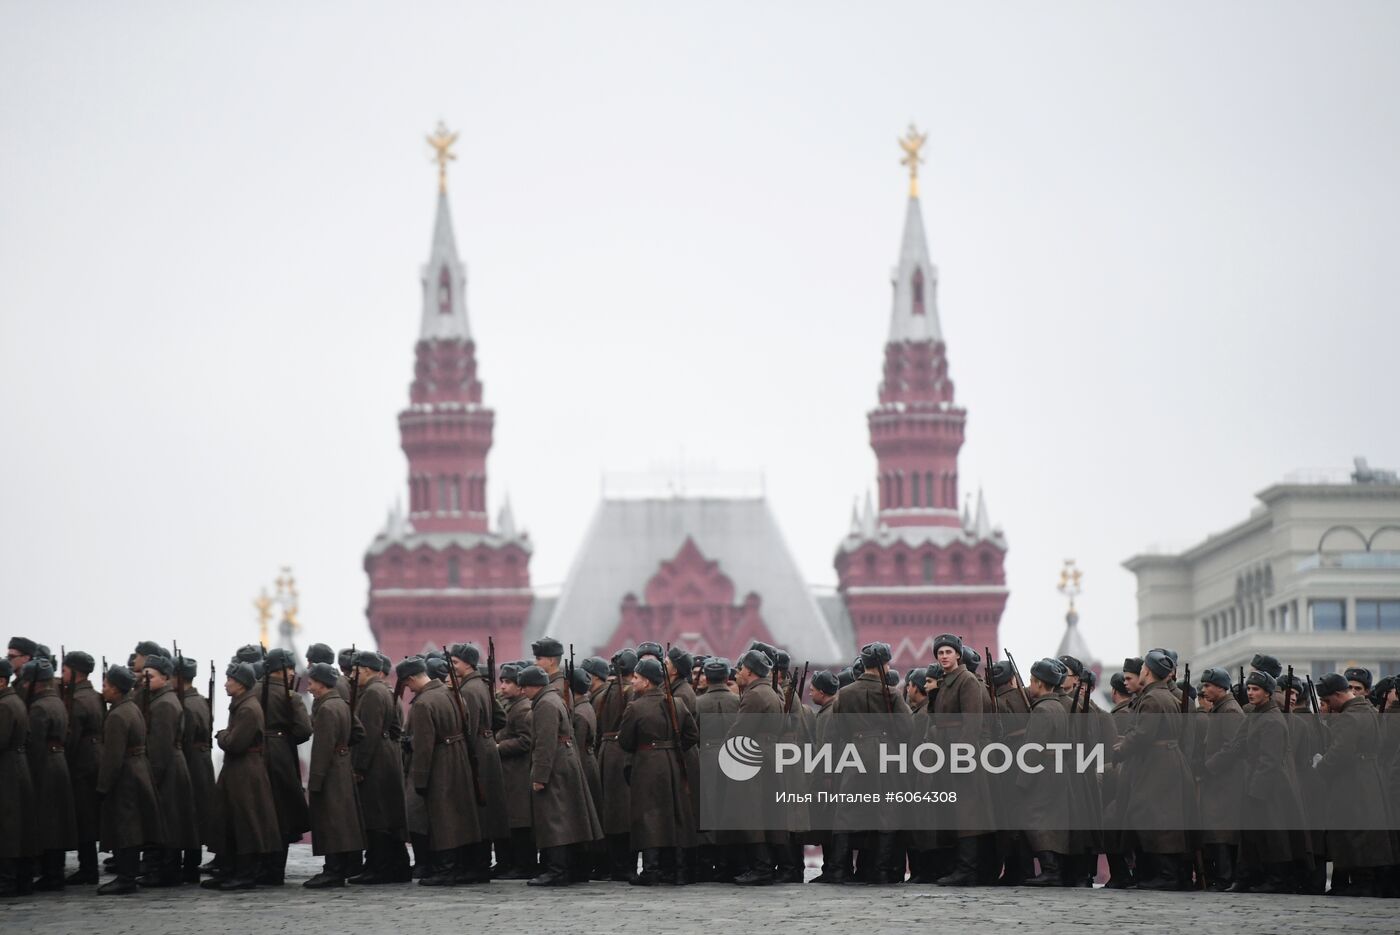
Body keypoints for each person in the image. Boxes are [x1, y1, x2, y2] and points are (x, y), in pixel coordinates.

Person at [399, 655, 483, 885]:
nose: (407, 688)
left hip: (439, 763)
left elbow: (424, 747)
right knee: (457, 815)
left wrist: (420, 778)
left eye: (407, 683)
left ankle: (445, 870)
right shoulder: (452, 693)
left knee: (442, 817)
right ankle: (457, 866)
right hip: (458, 759)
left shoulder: (424, 703)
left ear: (413, 678)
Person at [518, 664, 603, 887]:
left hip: (554, 765)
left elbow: (545, 744)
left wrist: (539, 776)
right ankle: (570, 869)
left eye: (524, 687)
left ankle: (557, 870)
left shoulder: (545, 704)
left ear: (534, 686)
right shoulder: (554, 699)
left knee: (554, 819)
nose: (522, 692)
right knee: (567, 819)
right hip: (564, 762)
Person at [1115, 649, 1193, 890]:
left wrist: (1118, 750)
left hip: (1156, 763)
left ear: (1147, 671)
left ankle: (1167, 875)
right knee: (1159, 815)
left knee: (1155, 816)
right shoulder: (1166, 696)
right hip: (1165, 760)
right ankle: (1164, 873)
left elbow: (1142, 734)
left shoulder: (1151, 699)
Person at [617, 656, 698, 885]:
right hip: (672, 762)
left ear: (647, 681)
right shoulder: (677, 703)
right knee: (675, 815)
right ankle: (678, 871)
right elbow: (692, 735)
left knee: (649, 816)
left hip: (647, 765)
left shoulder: (636, 707)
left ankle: (651, 870)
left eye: (636, 677)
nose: (633, 682)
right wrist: (672, 747)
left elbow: (624, 741)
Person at [1313, 672, 1395, 895]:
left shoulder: (1349, 717)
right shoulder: (1368, 710)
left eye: (1329, 700)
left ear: (1339, 694)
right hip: (1369, 776)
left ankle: (1359, 883)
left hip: (1351, 780)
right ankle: (1362, 881)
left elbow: (1340, 753)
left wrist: (1321, 765)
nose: (1328, 705)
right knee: (1364, 831)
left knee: (1352, 832)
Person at [203, 662, 280, 891]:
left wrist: (221, 736)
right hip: (238, 770)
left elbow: (235, 743)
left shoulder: (248, 709)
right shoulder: (241, 705)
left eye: (230, 680)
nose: (226, 684)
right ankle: (229, 870)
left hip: (245, 771)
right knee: (229, 821)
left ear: (242, 684)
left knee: (245, 823)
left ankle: (245, 874)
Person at [93, 665, 162, 895]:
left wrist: (103, 786)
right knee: (131, 826)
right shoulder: (131, 708)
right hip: (136, 770)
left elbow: (112, 756)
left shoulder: (118, 715)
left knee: (126, 827)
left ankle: (126, 877)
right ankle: (127, 875)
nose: (103, 690)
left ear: (116, 688)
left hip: (125, 775)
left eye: (105, 685)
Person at [348, 650, 410, 884]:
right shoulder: (385, 690)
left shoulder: (372, 693)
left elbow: (368, 733)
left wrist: (359, 767)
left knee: (376, 816)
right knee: (388, 815)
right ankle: (396, 865)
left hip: (376, 761)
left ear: (365, 669)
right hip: (388, 756)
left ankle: (379, 866)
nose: (353, 676)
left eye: (356, 670)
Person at [448, 642, 508, 882]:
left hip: (477, 755)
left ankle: (477, 866)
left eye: (455, 663)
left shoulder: (469, 690)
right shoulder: (482, 685)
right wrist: (487, 734)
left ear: (469, 664)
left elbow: (468, 728)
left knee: (476, 811)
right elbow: (499, 718)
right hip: (486, 750)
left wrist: (473, 747)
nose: (451, 667)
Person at [303, 662, 366, 888]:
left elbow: (322, 749)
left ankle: (333, 870)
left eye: (311, 683)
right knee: (342, 820)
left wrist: (316, 781)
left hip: (330, 772)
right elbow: (359, 732)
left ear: (321, 683)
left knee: (331, 821)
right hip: (342, 767)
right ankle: (338, 867)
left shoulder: (327, 708)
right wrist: (343, 748)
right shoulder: (341, 704)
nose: (309, 688)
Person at [141, 653, 200, 886]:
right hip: (171, 765)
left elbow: (160, 745)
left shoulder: (165, 703)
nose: (145, 679)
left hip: (167, 767)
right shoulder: (160, 698)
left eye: (150, 675)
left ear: (165, 678)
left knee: (168, 820)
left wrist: (153, 776)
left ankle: (166, 871)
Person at [257, 648, 312, 885]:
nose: (292, 673)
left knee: (257, 810)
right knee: (281, 811)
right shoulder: (291, 697)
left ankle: (257, 868)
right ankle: (274, 869)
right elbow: (304, 730)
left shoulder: (252, 691)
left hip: (254, 753)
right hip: (280, 754)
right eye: (289, 668)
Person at [23, 657, 77, 891]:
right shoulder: (56, 701)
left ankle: (51, 874)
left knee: (48, 821)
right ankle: (54, 871)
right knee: (56, 820)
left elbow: (35, 744)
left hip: (44, 763)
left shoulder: (38, 708)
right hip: (58, 761)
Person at [1018, 658, 1072, 886]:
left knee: (1036, 818)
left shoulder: (1041, 710)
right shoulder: (1058, 706)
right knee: (1053, 819)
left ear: (1040, 683)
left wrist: (1023, 780)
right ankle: (1055, 869)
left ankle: (1050, 870)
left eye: (1031, 681)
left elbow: (1032, 749)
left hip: (1042, 772)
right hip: (1057, 769)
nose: (1029, 685)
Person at [1196, 667, 1245, 891]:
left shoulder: (1230, 711)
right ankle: (1221, 877)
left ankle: (1225, 878)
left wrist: (1209, 766)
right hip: (1218, 780)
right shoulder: (1220, 709)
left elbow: (1233, 747)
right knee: (1217, 830)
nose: (1204, 690)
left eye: (1208, 685)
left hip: (1227, 781)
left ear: (1221, 687)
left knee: (1223, 831)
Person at [61, 650, 104, 885]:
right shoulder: (95, 696)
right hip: (95, 757)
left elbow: (72, 737)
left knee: (83, 816)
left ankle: (88, 868)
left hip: (81, 762)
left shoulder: (77, 699)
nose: (62, 674)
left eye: (66, 670)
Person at [595, 648, 637, 881]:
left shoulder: (605, 692)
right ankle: (625, 866)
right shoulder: (630, 693)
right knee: (625, 814)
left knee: (611, 812)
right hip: (622, 751)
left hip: (606, 751)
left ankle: (613, 864)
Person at [494, 662, 536, 880]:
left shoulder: (522, 709)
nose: (502, 686)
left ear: (521, 687)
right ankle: (510, 863)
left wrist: (499, 747)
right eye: (502, 681)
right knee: (511, 821)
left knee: (520, 822)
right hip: (509, 771)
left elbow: (525, 741)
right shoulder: (511, 705)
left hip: (518, 772)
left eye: (508, 682)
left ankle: (524, 865)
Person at [176, 655, 215, 883]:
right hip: (202, 762)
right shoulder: (200, 700)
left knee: (188, 814)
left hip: (191, 761)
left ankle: (189, 865)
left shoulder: (188, 705)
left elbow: (186, 738)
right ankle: (192, 861)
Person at [0, 659, 35, 897]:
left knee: (8, 827)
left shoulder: (5, 705)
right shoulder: (15, 701)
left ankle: (7, 880)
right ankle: (20, 879)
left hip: (7, 768)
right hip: (17, 764)